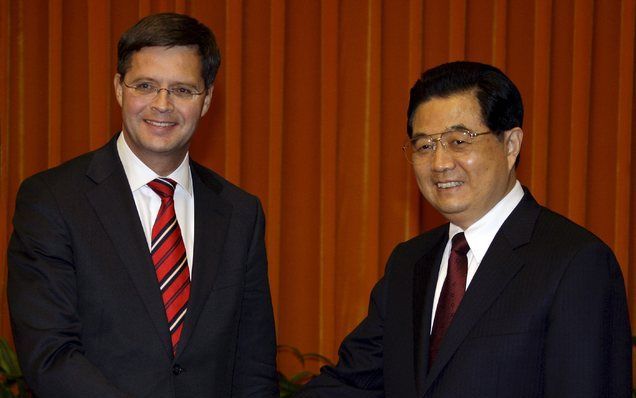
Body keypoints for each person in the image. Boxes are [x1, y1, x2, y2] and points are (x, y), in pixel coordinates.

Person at [298, 61, 632, 397]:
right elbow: (351, 383)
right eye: (425, 145)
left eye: (459, 141)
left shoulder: (575, 263)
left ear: (511, 144)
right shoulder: (408, 263)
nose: (440, 163)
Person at [8, 13, 278, 398]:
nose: (162, 104)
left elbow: (252, 368)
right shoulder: (52, 200)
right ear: (119, 88)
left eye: (183, 90)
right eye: (146, 85)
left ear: (207, 100)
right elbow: (50, 355)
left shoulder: (240, 214)